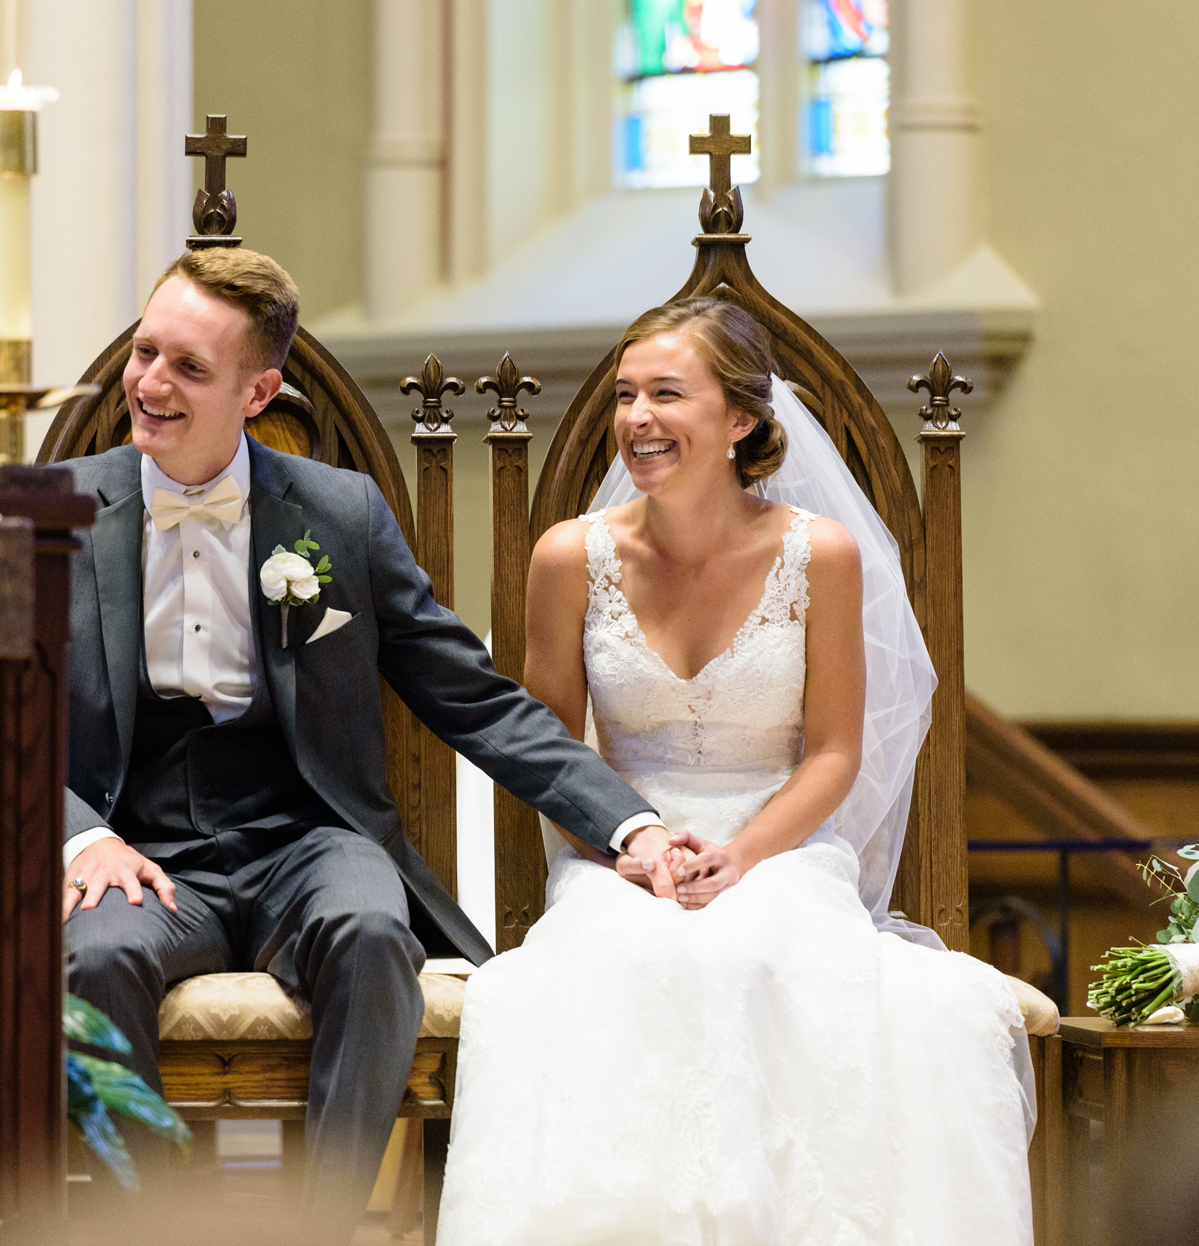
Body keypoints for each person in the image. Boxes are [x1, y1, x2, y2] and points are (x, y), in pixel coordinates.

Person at [57, 247, 692, 1239]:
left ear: (257, 390)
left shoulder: (336, 517)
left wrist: (630, 828)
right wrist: (80, 838)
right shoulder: (52, 513)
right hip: (132, 846)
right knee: (91, 961)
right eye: (144, 353)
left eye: (187, 367)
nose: (148, 384)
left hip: (304, 837)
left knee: (368, 930)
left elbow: (473, 697)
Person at [436, 297, 1036, 1245]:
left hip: (780, 845)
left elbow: (836, 749)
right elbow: (546, 753)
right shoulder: (569, 558)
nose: (636, 419)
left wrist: (746, 853)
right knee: (624, 962)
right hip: (618, 854)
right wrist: (626, 848)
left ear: (743, 420)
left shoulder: (818, 554)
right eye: (626, 396)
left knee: (756, 955)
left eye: (667, 394)